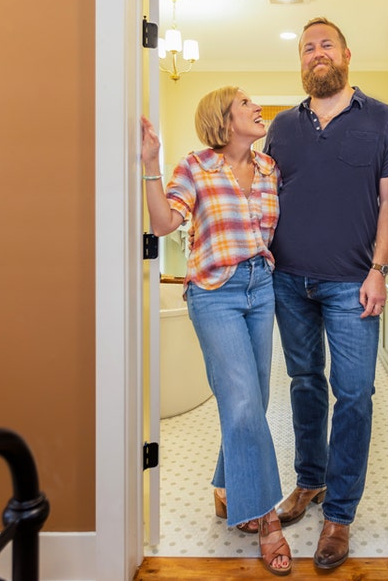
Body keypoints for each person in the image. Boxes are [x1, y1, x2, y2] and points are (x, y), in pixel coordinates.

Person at [141, 86, 292, 576]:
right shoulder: (195, 166)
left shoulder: (269, 169)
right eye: (246, 103)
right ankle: (267, 519)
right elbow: (164, 223)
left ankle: (227, 488)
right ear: (225, 121)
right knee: (244, 402)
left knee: (254, 399)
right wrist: (151, 163)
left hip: (260, 286)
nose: (257, 108)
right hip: (215, 291)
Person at [264, 18, 388, 570]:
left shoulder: (383, 119)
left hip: (352, 282)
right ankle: (309, 481)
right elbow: (262, 196)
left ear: (345, 53)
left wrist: (379, 269)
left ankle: (339, 513)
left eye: (325, 45)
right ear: (301, 61)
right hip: (288, 279)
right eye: (307, 47)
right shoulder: (282, 128)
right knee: (304, 383)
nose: (317, 53)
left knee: (356, 394)